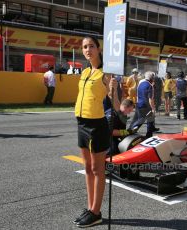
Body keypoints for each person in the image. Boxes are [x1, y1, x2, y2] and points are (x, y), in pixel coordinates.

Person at [73, 36, 119, 227]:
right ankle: (90, 207)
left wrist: (113, 90)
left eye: (91, 46)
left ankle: (96, 211)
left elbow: (116, 106)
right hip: (81, 124)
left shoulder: (105, 73)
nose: (88, 49)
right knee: (87, 169)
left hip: (96, 125)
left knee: (97, 169)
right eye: (85, 47)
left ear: (99, 49)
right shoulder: (84, 72)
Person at [129, 71, 159, 138]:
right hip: (146, 106)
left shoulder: (141, 83)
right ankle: (147, 135)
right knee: (142, 121)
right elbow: (150, 99)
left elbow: (137, 94)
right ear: (152, 78)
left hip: (139, 104)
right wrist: (153, 108)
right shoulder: (150, 86)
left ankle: (130, 131)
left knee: (139, 120)